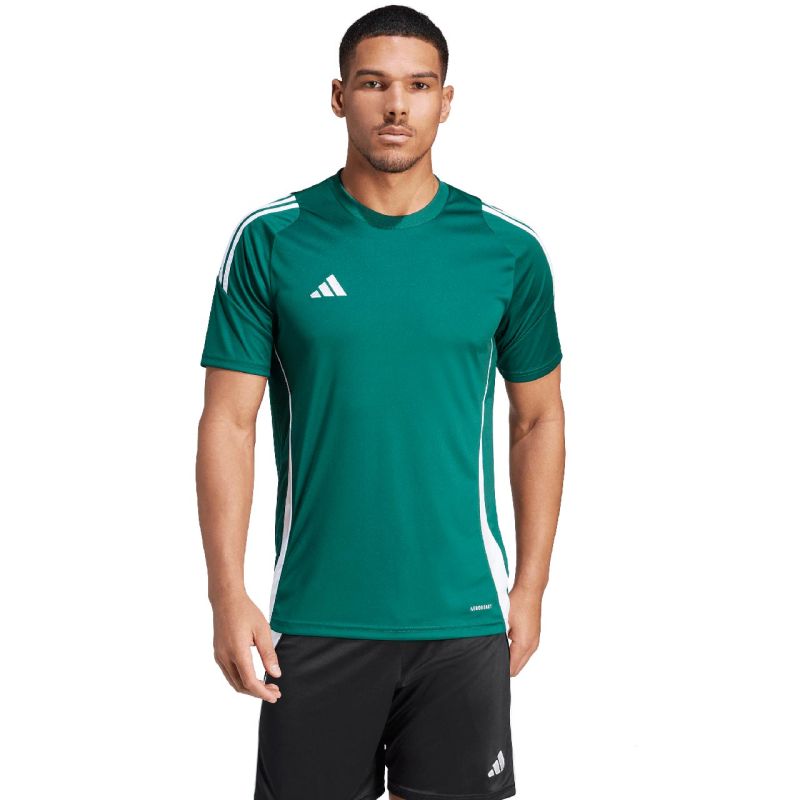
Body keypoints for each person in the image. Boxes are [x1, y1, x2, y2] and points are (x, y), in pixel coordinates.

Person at [196, 5, 565, 800]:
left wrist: (531, 588)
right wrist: (227, 594)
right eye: (374, 83)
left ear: (446, 101)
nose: (397, 105)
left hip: (464, 618)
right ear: (339, 96)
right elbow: (228, 421)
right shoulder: (272, 240)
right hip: (316, 618)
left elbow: (538, 418)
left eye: (418, 86)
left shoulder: (507, 250)